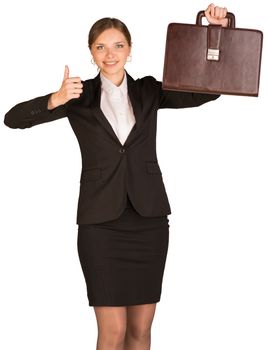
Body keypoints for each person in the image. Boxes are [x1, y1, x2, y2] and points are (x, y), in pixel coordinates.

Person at [4, 3, 228, 350]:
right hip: (101, 226)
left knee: (140, 331)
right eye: (101, 47)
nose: (110, 54)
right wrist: (55, 98)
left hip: (148, 221)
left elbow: (207, 91)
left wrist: (216, 35)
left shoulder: (150, 90)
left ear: (131, 49)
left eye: (118, 45)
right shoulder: (78, 96)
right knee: (112, 332)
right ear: (91, 53)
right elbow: (13, 119)